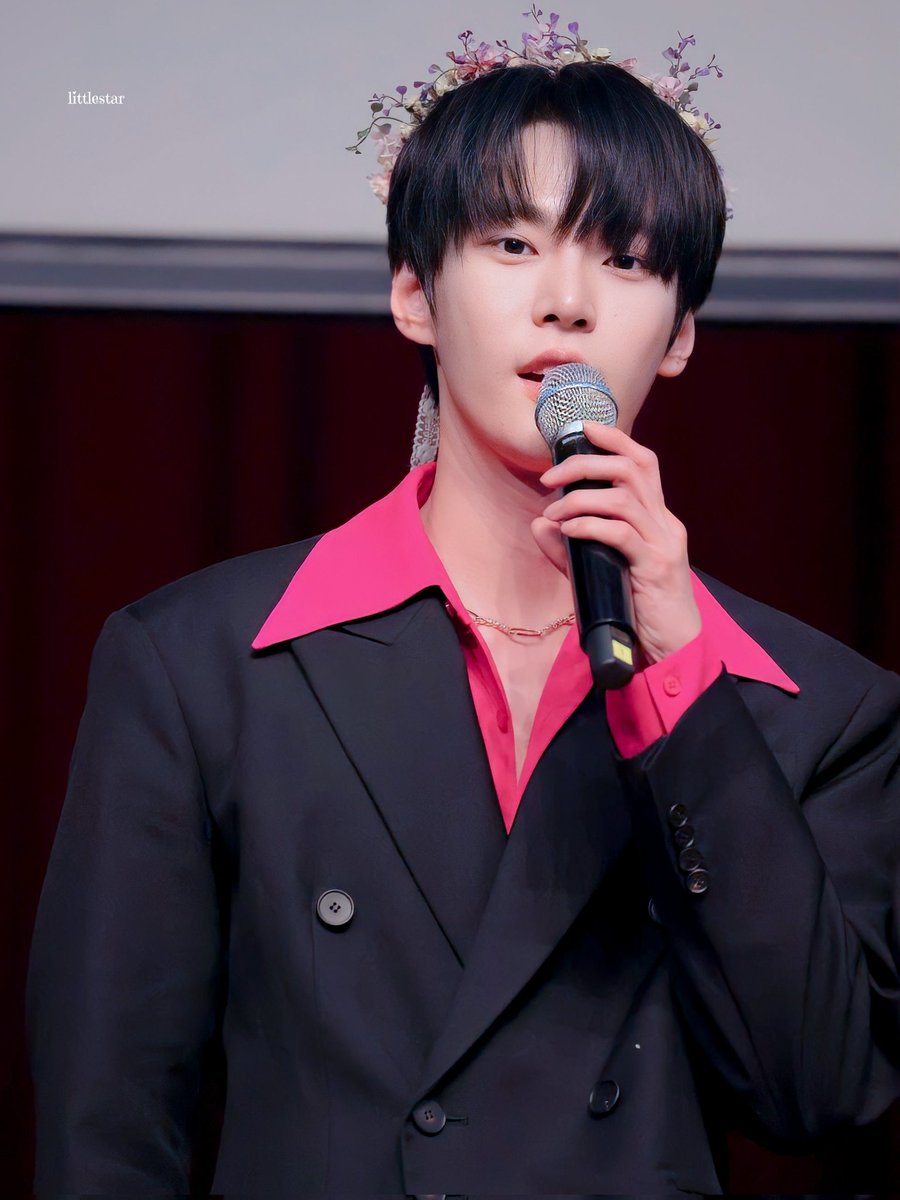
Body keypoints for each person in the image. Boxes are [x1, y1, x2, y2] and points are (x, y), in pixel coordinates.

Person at [26, 11, 900, 1196]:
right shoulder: (199, 665)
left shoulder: (821, 711)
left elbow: (818, 1090)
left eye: (627, 259)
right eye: (512, 243)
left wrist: (681, 680)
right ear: (414, 296)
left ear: (682, 335)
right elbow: (108, 1132)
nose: (568, 301)